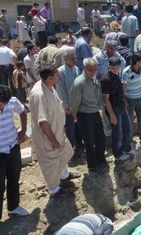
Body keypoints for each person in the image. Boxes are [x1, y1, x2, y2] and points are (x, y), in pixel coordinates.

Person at [29, 68, 80, 197]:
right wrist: (53, 139)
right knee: (50, 164)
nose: (59, 77)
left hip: (58, 131)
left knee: (63, 154)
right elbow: (43, 122)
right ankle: (54, 189)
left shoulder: (50, 86)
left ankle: (64, 175)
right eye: (57, 75)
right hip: (47, 137)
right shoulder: (39, 94)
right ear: (49, 78)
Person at [70, 58, 107, 172]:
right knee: (89, 140)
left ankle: (101, 159)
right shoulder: (79, 82)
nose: (93, 72)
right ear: (85, 68)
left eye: (95, 70)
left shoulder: (94, 79)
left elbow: (98, 96)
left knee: (100, 137)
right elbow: (75, 102)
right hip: (84, 114)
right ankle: (92, 164)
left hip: (95, 112)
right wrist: (75, 116)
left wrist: (100, 109)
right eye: (91, 70)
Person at [0, 84, 29, 219]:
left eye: (4, 104)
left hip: (13, 146)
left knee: (13, 179)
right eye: (1, 104)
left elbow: (22, 111)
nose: (3, 107)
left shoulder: (11, 101)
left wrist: (23, 132)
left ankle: (13, 207)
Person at [101, 57, 133, 161]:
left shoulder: (117, 75)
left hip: (121, 105)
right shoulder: (106, 79)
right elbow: (106, 99)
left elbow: (120, 89)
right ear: (109, 67)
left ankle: (127, 148)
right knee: (117, 132)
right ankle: (118, 154)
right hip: (114, 108)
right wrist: (112, 114)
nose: (115, 70)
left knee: (127, 127)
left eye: (117, 68)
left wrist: (124, 101)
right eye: (113, 68)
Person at [56, 48, 82, 152]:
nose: (75, 60)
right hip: (68, 106)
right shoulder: (60, 71)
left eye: (75, 58)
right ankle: (70, 150)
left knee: (78, 126)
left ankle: (79, 144)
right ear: (66, 59)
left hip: (78, 104)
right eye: (73, 58)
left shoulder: (76, 69)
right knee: (69, 128)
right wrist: (66, 106)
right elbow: (60, 90)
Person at [122, 54, 141, 148]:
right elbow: (122, 87)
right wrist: (124, 101)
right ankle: (129, 141)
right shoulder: (126, 72)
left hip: (140, 98)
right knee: (129, 121)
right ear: (137, 62)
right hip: (130, 99)